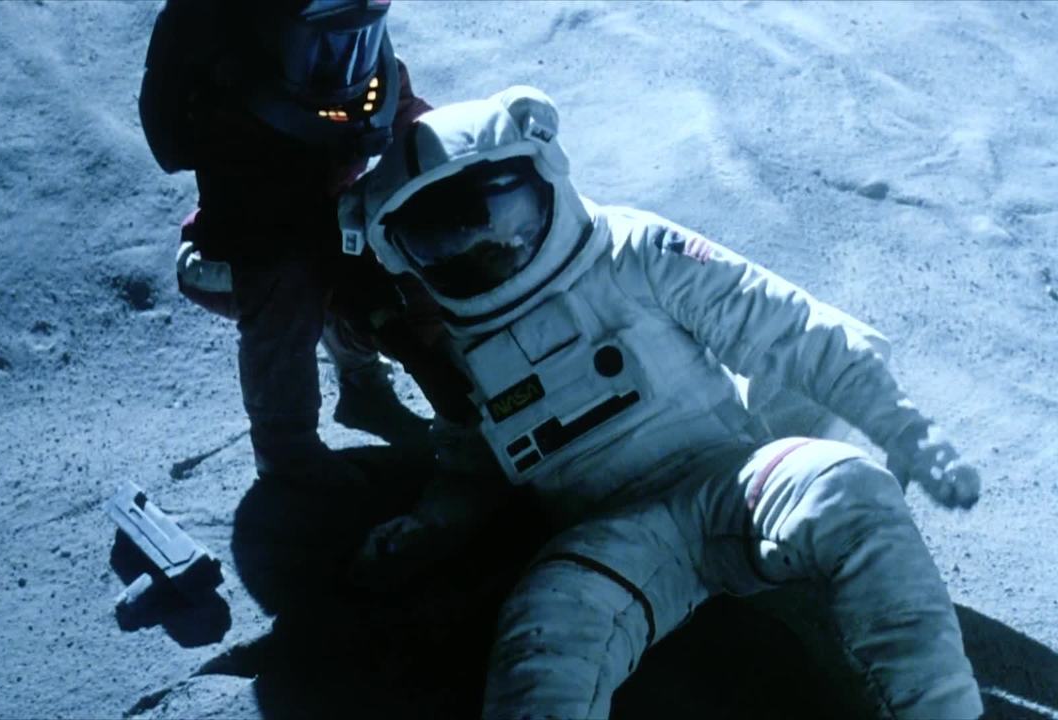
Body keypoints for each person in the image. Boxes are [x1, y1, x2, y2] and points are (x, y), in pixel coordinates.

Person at [343, 86, 986, 718]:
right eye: (446, 245)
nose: (490, 251)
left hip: (731, 477)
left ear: (545, 174)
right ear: (405, 254)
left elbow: (785, 329)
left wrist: (903, 428)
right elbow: (473, 459)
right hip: (613, 538)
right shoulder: (460, 349)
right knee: (546, 625)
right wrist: (431, 525)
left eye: (501, 220)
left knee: (846, 487)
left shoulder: (633, 253)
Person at [139, 0, 453, 486]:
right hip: (238, 247)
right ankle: (285, 454)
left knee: (416, 251)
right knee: (289, 280)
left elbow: (413, 125)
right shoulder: (227, 90)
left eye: (356, 42)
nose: (342, 62)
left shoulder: (373, 71)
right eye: (324, 47)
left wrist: (456, 166)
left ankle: (372, 384)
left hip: (329, 229)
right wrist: (387, 321)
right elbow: (281, 221)